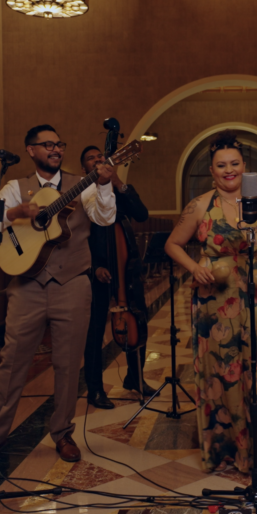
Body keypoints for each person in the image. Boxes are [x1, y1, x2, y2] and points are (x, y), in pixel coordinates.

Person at [0, 124, 116, 466]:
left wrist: (105, 183)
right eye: (47, 144)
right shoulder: (15, 187)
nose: (55, 149)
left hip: (73, 284)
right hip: (27, 286)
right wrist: (16, 213)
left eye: (59, 144)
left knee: (67, 365)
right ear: (32, 150)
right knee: (12, 362)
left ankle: (62, 433)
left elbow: (104, 218)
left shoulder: (80, 185)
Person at [165, 130, 257, 475]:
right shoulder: (199, 206)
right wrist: (195, 267)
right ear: (211, 172)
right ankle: (230, 450)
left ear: (244, 167)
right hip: (214, 307)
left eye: (234, 164)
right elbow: (172, 245)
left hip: (253, 301)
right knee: (223, 377)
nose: (229, 170)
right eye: (221, 165)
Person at [80, 144, 154, 410]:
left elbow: (141, 214)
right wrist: (93, 267)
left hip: (127, 270)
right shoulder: (83, 193)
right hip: (98, 272)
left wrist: (118, 182)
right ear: (84, 169)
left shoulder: (118, 189)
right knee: (95, 331)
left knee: (139, 321)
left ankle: (136, 378)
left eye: (101, 157)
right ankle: (95, 389)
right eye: (91, 159)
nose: (98, 161)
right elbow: (79, 237)